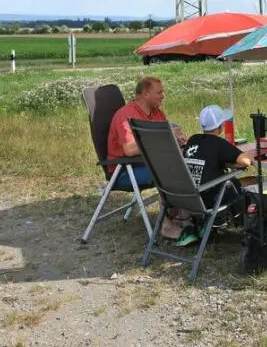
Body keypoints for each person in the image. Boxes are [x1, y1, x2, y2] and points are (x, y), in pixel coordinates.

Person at [106, 76, 188, 238]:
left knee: (190, 161)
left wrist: (178, 138)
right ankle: (168, 224)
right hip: (125, 170)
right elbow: (129, 149)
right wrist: (164, 136)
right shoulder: (126, 116)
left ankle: (187, 216)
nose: (163, 96)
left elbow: (163, 139)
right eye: (159, 92)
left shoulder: (157, 113)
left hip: (149, 163)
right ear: (145, 94)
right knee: (170, 170)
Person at [176, 105, 252, 246]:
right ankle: (244, 224)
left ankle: (201, 224)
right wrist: (236, 162)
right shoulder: (219, 143)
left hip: (189, 197)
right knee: (244, 183)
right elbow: (245, 161)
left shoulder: (193, 139)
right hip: (210, 199)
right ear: (220, 127)